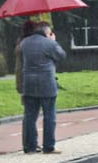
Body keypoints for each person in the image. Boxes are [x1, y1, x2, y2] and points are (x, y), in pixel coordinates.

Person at [21, 21, 65, 154]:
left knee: (30, 116)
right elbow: (61, 56)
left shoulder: (25, 43)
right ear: (47, 32)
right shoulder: (50, 43)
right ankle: (48, 146)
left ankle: (31, 147)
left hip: (29, 83)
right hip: (47, 83)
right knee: (49, 116)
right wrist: (53, 41)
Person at [15, 20, 36, 99]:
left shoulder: (20, 41)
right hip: (32, 80)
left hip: (22, 78)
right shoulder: (30, 43)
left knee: (28, 107)